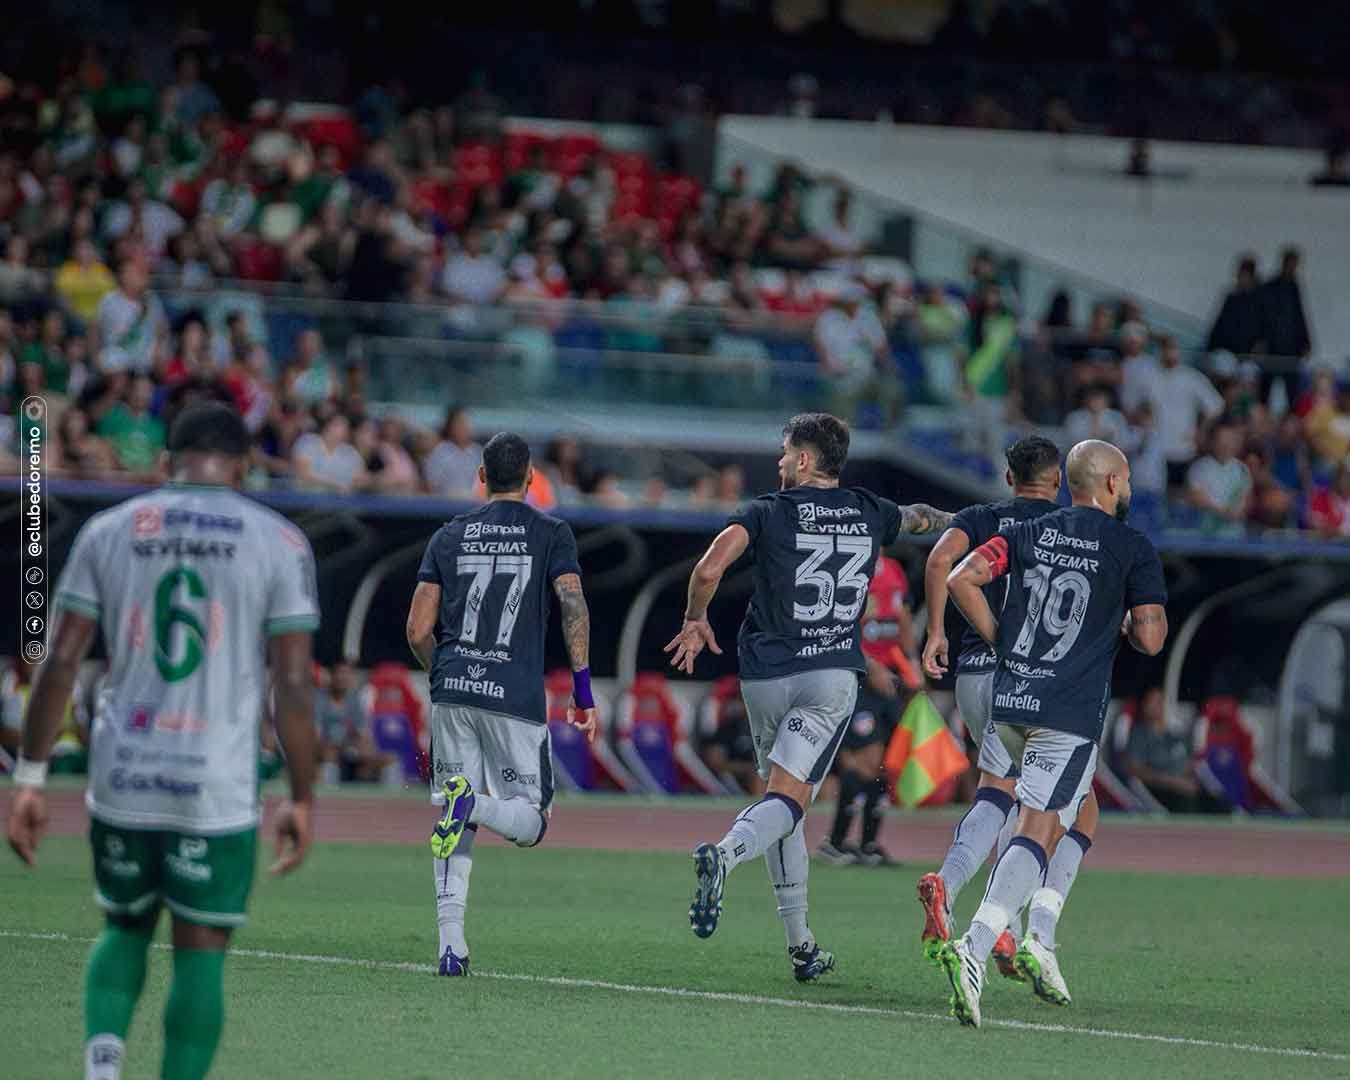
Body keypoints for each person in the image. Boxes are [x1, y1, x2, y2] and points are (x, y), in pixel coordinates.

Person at [5, 401, 319, 1079]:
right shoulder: (280, 540)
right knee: (201, 946)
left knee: (125, 925)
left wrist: (28, 780)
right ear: (242, 467)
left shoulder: (108, 531)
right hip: (215, 778)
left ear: (167, 461)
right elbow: (292, 681)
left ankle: (102, 1065)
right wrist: (302, 796)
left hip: (125, 769)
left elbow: (59, 662)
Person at [664, 412, 951, 981]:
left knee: (782, 803)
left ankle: (802, 946)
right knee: (790, 801)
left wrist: (696, 619)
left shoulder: (765, 511)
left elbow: (708, 568)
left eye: (784, 451)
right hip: (829, 677)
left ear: (803, 460)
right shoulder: (872, 510)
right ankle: (724, 855)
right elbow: (926, 519)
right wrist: (979, 520)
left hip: (765, 675)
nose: (778, 461)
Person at [938, 439, 1167, 1028]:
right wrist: (1126, 617)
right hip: (1067, 710)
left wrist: (1001, 642)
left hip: (1012, 699)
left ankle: (1040, 937)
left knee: (1079, 811)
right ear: (1113, 483)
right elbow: (1151, 638)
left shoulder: (1028, 529)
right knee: (1038, 827)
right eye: (1128, 478)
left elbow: (964, 578)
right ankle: (980, 944)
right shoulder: (1131, 546)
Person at [406, 432, 598, 977]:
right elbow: (572, 605)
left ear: (481, 478)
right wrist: (582, 692)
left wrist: (444, 672)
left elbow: (418, 628)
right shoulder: (551, 532)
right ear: (532, 477)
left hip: (453, 689)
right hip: (512, 694)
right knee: (532, 822)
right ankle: (476, 804)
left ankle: (450, 945)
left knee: (451, 812)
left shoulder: (448, 536)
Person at [918, 434, 1104, 988]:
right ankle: (1011, 922)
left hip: (972, 675)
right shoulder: (1066, 530)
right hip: (1026, 676)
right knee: (1058, 808)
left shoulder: (980, 516)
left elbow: (939, 561)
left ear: (1008, 477)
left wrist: (934, 633)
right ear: (1060, 482)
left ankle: (997, 919)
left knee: (1002, 791)